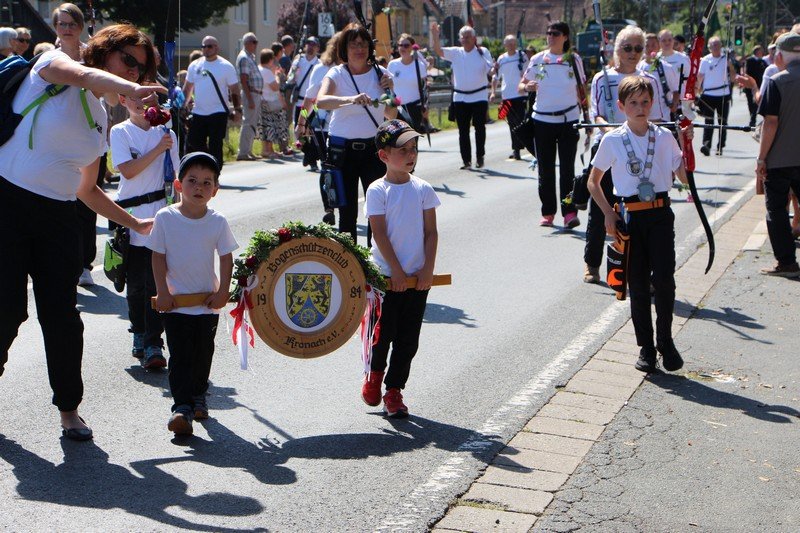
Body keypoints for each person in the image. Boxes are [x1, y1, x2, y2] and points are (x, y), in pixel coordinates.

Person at [0, 24, 163, 440]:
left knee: (64, 318)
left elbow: (87, 190)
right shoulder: (55, 64)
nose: (134, 73)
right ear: (104, 50)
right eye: (128, 60)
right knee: (7, 310)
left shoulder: (100, 120)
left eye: (141, 69)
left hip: (58, 216)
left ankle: (69, 410)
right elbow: (85, 75)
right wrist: (129, 87)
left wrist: (134, 223)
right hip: (8, 204)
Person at [587, 76, 690, 373]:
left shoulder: (665, 136)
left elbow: (683, 177)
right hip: (630, 217)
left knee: (665, 279)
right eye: (633, 103)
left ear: (653, 103)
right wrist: (608, 214)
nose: (640, 107)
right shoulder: (612, 140)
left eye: (645, 102)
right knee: (638, 283)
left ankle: (666, 341)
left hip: (660, 214)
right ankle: (646, 347)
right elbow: (594, 182)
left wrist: (685, 146)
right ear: (621, 106)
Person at [150, 152, 238, 436]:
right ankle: (182, 408)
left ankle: (199, 396)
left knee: (202, 354)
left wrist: (223, 291)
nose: (199, 187)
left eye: (206, 182)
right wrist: (162, 292)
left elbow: (226, 258)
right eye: (192, 181)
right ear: (179, 185)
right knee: (180, 356)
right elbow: (157, 257)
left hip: (206, 303)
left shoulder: (217, 221)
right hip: (176, 304)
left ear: (215, 190)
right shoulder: (165, 217)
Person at [362, 119, 440, 418]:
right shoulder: (377, 190)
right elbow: (379, 233)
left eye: (414, 148)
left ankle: (394, 391)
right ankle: (374, 375)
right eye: (402, 150)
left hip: (416, 279)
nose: (411, 154)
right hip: (386, 277)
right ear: (384, 155)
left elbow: (431, 232)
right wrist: (394, 270)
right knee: (382, 334)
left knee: (408, 340)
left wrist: (427, 269)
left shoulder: (423, 189)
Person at [582, 25, 667, 284]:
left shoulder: (649, 80)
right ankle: (592, 263)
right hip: (610, 148)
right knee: (601, 209)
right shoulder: (602, 78)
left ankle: (641, 269)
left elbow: (657, 117)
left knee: (641, 210)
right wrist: (612, 133)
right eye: (627, 47)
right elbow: (597, 114)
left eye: (638, 48)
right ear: (616, 49)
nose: (632, 52)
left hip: (642, 152)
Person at [110, 93, 179, 369]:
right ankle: (138, 331)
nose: (140, 103)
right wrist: (158, 149)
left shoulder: (167, 133)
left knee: (156, 283)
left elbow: (176, 177)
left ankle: (154, 342)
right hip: (129, 217)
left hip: (159, 215)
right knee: (136, 283)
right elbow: (128, 171)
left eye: (147, 97)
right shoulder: (120, 131)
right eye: (133, 97)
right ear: (122, 100)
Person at [316, 23, 398, 244]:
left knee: (377, 212)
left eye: (363, 44)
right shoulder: (337, 73)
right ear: (345, 48)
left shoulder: (381, 74)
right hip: (343, 150)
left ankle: (376, 259)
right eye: (354, 45)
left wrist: (390, 90)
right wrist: (351, 99)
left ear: (370, 47)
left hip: (373, 149)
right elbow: (321, 101)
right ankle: (349, 263)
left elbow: (391, 114)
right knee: (347, 213)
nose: (359, 49)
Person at [518, 21, 586, 228]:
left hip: (568, 120)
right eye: (548, 33)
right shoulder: (538, 58)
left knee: (567, 170)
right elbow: (521, 85)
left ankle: (569, 212)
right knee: (546, 170)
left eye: (555, 33)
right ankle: (548, 212)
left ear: (565, 36)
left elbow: (581, 88)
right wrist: (527, 87)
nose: (550, 36)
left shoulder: (573, 59)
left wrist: (587, 112)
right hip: (542, 121)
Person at [755, 32, 800, 277]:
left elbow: (770, 123)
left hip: (780, 159)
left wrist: (762, 158)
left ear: (780, 56)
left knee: (777, 211)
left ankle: (787, 262)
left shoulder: (777, 82)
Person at [430, 23, 493, 169]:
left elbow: (490, 69)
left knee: (479, 128)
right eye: (463, 37)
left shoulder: (482, 52)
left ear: (474, 38)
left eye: (468, 37)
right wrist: (435, 35)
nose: (465, 39)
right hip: (460, 97)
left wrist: (493, 71)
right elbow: (438, 51)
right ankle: (466, 161)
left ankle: (480, 156)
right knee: (463, 131)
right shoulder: (456, 52)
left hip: (479, 96)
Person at [296, 32, 341, 222]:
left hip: (344, 127)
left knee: (342, 168)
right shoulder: (320, 68)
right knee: (327, 166)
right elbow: (308, 100)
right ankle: (329, 207)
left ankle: (343, 206)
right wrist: (301, 123)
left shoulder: (356, 69)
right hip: (323, 126)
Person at [182, 36, 241, 169]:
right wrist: (182, 106)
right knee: (194, 141)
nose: (206, 49)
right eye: (204, 46)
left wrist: (238, 109)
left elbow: (235, 90)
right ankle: (206, 164)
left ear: (216, 48)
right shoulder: (195, 65)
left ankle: (215, 172)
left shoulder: (226, 66)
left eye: (209, 46)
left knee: (216, 144)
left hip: (218, 112)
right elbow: (187, 89)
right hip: (199, 112)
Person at [696, 36, 736, 156]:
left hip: (723, 95)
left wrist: (730, 66)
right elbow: (700, 77)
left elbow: (733, 76)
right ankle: (706, 145)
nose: (715, 47)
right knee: (708, 121)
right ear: (709, 47)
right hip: (708, 95)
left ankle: (720, 146)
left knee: (722, 122)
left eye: (717, 45)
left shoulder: (725, 59)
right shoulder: (705, 60)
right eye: (713, 45)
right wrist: (696, 91)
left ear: (721, 46)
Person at [490, 34, 528, 160]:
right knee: (511, 122)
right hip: (507, 95)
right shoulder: (502, 59)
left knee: (520, 121)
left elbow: (529, 72)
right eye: (509, 44)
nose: (511, 46)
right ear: (505, 45)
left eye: (513, 43)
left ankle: (523, 145)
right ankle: (516, 149)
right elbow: (495, 77)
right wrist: (493, 92)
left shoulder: (522, 56)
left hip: (520, 94)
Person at [387, 33, 429, 135]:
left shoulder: (419, 65)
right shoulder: (392, 64)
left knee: (412, 138)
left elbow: (425, 88)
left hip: (415, 107)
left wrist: (426, 106)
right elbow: (388, 87)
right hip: (397, 108)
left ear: (412, 48)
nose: (403, 48)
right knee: (398, 138)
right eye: (400, 45)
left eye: (406, 45)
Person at [289, 36, 320, 165]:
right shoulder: (298, 61)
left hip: (314, 104)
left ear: (317, 48)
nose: (310, 47)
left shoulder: (319, 64)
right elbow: (291, 78)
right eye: (308, 44)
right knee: (300, 130)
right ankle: (308, 153)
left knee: (312, 129)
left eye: (313, 45)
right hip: (300, 103)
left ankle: (311, 157)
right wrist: (293, 71)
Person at [236, 32, 263, 161]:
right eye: (253, 42)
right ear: (246, 43)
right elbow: (244, 79)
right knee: (248, 123)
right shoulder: (244, 58)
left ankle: (248, 150)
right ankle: (243, 152)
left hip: (255, 93)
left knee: (252, 123)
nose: (255, 44)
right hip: (250, 93)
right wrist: (250, 99)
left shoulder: (250, 57)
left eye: (256, 42)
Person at [258, 48, 288, 159]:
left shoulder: (259, 69)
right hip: (269, 102)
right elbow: (275, 87)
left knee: (265, 127)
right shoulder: (267, 72)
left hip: (262, 101)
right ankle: (267, 151)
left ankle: (269, 150)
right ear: (270, 59)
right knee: (270, 127)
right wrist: (277, 76)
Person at [657, 29, 690, 103]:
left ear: (673, 41)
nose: (667, 43)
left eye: (669, 40)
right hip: (661, 102)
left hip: (681, 101)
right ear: (659, 42)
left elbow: (690, 80)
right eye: (664, 40)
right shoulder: (655, 59)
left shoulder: (683, 58)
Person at [744, 45, 768, 127]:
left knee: (755, 102)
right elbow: (747, 72)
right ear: (757, 51)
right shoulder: (750, 60)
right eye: (761, 51)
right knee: (750, 102)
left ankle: (753, 119)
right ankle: (752, 116)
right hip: (750, 85)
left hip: (759, 85)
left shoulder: (763, 61)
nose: (762, 52)